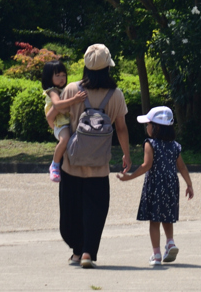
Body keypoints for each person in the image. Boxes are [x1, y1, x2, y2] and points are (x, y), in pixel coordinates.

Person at [59, 44, 131, 268]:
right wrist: (126, 155)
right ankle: (88, 252)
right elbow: (121, 128)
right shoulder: (116, 94)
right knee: (96, 208)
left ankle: (77, 251)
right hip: (100, 165)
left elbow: (59, 121)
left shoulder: (72, 90)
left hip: (71, 163)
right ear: (107, 69)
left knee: (71, 209)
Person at [117, 105, 194, 266]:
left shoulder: (150, 143)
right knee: (167, 217)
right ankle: (170, 242)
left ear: (156, 127)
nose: (147, 127)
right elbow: (182, 167)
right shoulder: (174, 145)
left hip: (155, 186)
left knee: (154, 220)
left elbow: (147, 165)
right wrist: (189, 184)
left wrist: (129, 177)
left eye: (149, 124)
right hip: (171, 185)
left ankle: (157, 254)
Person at [41, 59, 87, 182]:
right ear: (49, 77)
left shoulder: (63, 89)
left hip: (65, 122)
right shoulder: (53, 91)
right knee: (65, 139)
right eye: (58, 75)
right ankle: (54, 165)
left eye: (63, 75)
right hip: (61, 124)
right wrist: (75, 100)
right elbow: (57, 104)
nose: (62, 78)